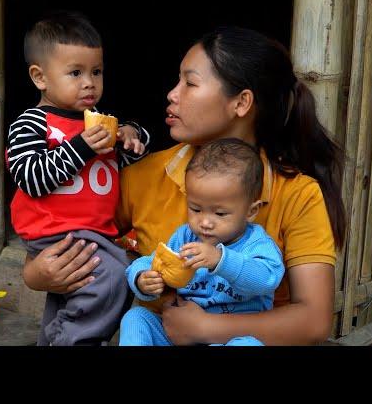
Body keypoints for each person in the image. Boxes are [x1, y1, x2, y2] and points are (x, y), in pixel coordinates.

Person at [23, 25, 345, 345]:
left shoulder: (297, 194)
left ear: (241, 103)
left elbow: (314, 321)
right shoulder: (143, 176)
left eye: (190, 83)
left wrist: (208, 329)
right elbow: (68, 236)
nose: (172, 94)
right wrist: (35, 273)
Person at [6, 11, 150, 346]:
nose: (89, 82)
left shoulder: (99, 124)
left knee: (73, 292)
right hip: (54, 228)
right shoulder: (33, 123)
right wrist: (82, 146)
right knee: (112, 278)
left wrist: (131, 136)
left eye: (96, 72)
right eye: (76, 72)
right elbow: (30, 177)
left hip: (92, 232)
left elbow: (127, 159)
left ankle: (54, 339)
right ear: (40, 78)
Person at [119, 138, 284, 346]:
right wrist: (142, 279)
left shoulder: (257, 244)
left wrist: (220, 260)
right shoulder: (186, 236)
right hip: (178, 335)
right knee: (136, 318)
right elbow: (153, 260)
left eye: (220, 213)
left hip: (226, 338)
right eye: (195, 209)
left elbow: (267, 279)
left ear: (251, 211)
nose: (205, 222)